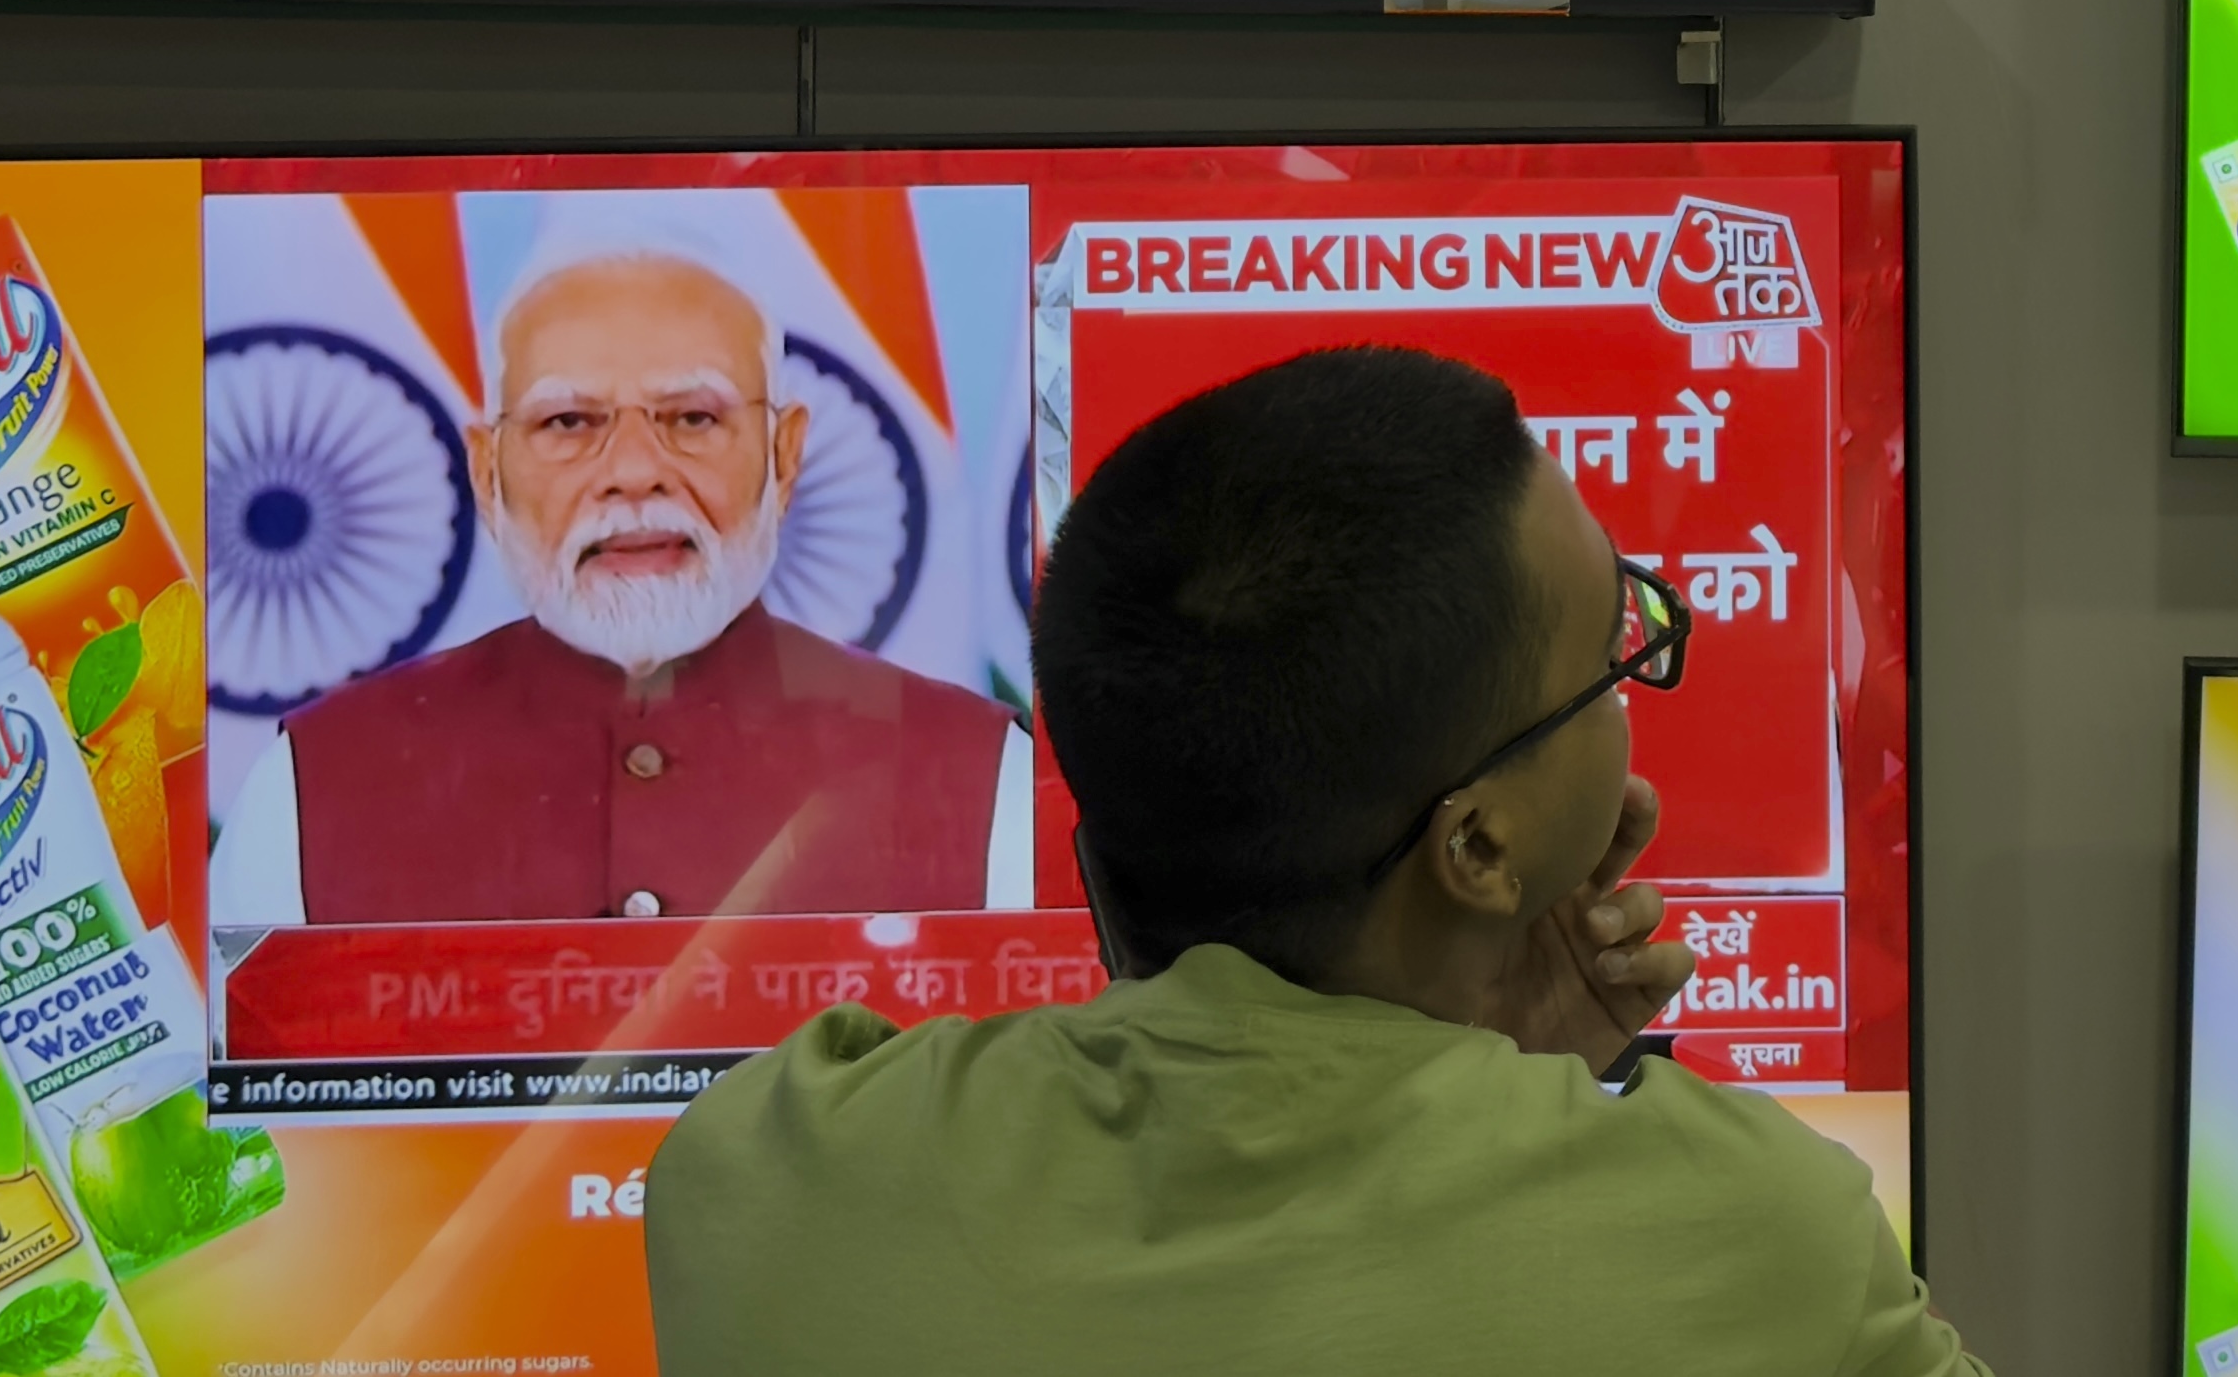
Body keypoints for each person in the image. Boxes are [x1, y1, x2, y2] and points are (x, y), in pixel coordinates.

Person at [644, 346, 1977, 1377]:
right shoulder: (1745, 1233)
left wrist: (1480, 1071)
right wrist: (1537, 1100)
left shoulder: (769, 1175)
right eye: (1613, 662)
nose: (1629, 716)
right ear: (1479, 841)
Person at [205, 228, 1030, 924]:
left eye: (693, 418)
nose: (635, 471)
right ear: (487, 470)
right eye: (569, 422)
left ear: (784, 456)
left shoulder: (984, 777)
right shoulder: (311, 784)